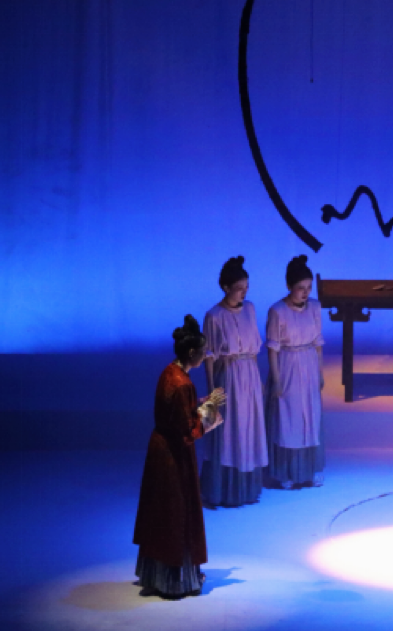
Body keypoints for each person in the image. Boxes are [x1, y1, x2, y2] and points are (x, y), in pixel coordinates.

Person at [133, 315, 225, 599]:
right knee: (177, 512)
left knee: (160, 511)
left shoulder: (169, 373)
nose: (206, 355)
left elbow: (177, 412)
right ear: (192, 353)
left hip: (160, 450)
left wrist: (203, 402)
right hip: (175, 455)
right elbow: (188, 429)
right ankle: (177, 580)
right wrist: (210, 411)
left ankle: (155, 575)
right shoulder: (183, 384)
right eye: (203, 351)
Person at [199, 256, 268, 507]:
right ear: (226, 288)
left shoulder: (250, 309)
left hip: (249, 373)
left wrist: (258, 379)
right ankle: (224, 489)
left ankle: (247, 488)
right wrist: (211, 391)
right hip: (228, 375)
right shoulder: (214, 315)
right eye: (239, 288)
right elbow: (209, 355)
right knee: (229, 431)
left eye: (246, 287)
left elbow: (254, 348)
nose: (244, 293)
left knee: (249, 428)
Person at [265, 255, 326, 489]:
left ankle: (310, 469)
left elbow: (318, 343)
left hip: (308, 363)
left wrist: (320, 372)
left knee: (310, 416)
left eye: (309, 288)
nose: (306, 293)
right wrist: (277, 380)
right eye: (301, 288)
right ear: (289, 286)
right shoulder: (278, 311)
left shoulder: (314, 307)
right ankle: (286, 472)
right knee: (288, 419)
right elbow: (273, 349)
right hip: (288, 365)